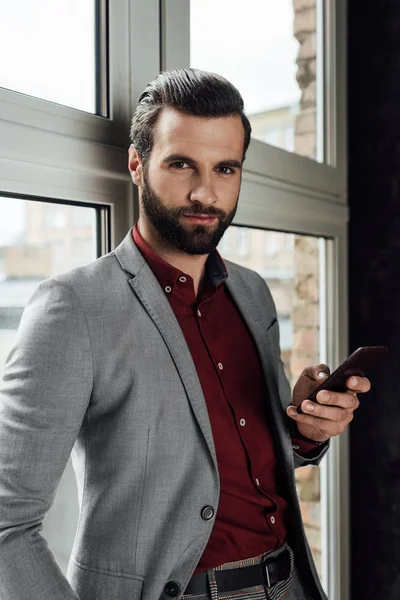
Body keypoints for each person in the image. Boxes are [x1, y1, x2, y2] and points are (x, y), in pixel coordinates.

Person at [0, 69, 369, 600]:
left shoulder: (253, 292)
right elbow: (9, 521)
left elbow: (242, 464)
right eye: (180, 164)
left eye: (225, 168)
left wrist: (306, 431)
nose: (205, 191)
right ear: (136, 164)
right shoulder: (73, 307)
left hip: (290, 582)